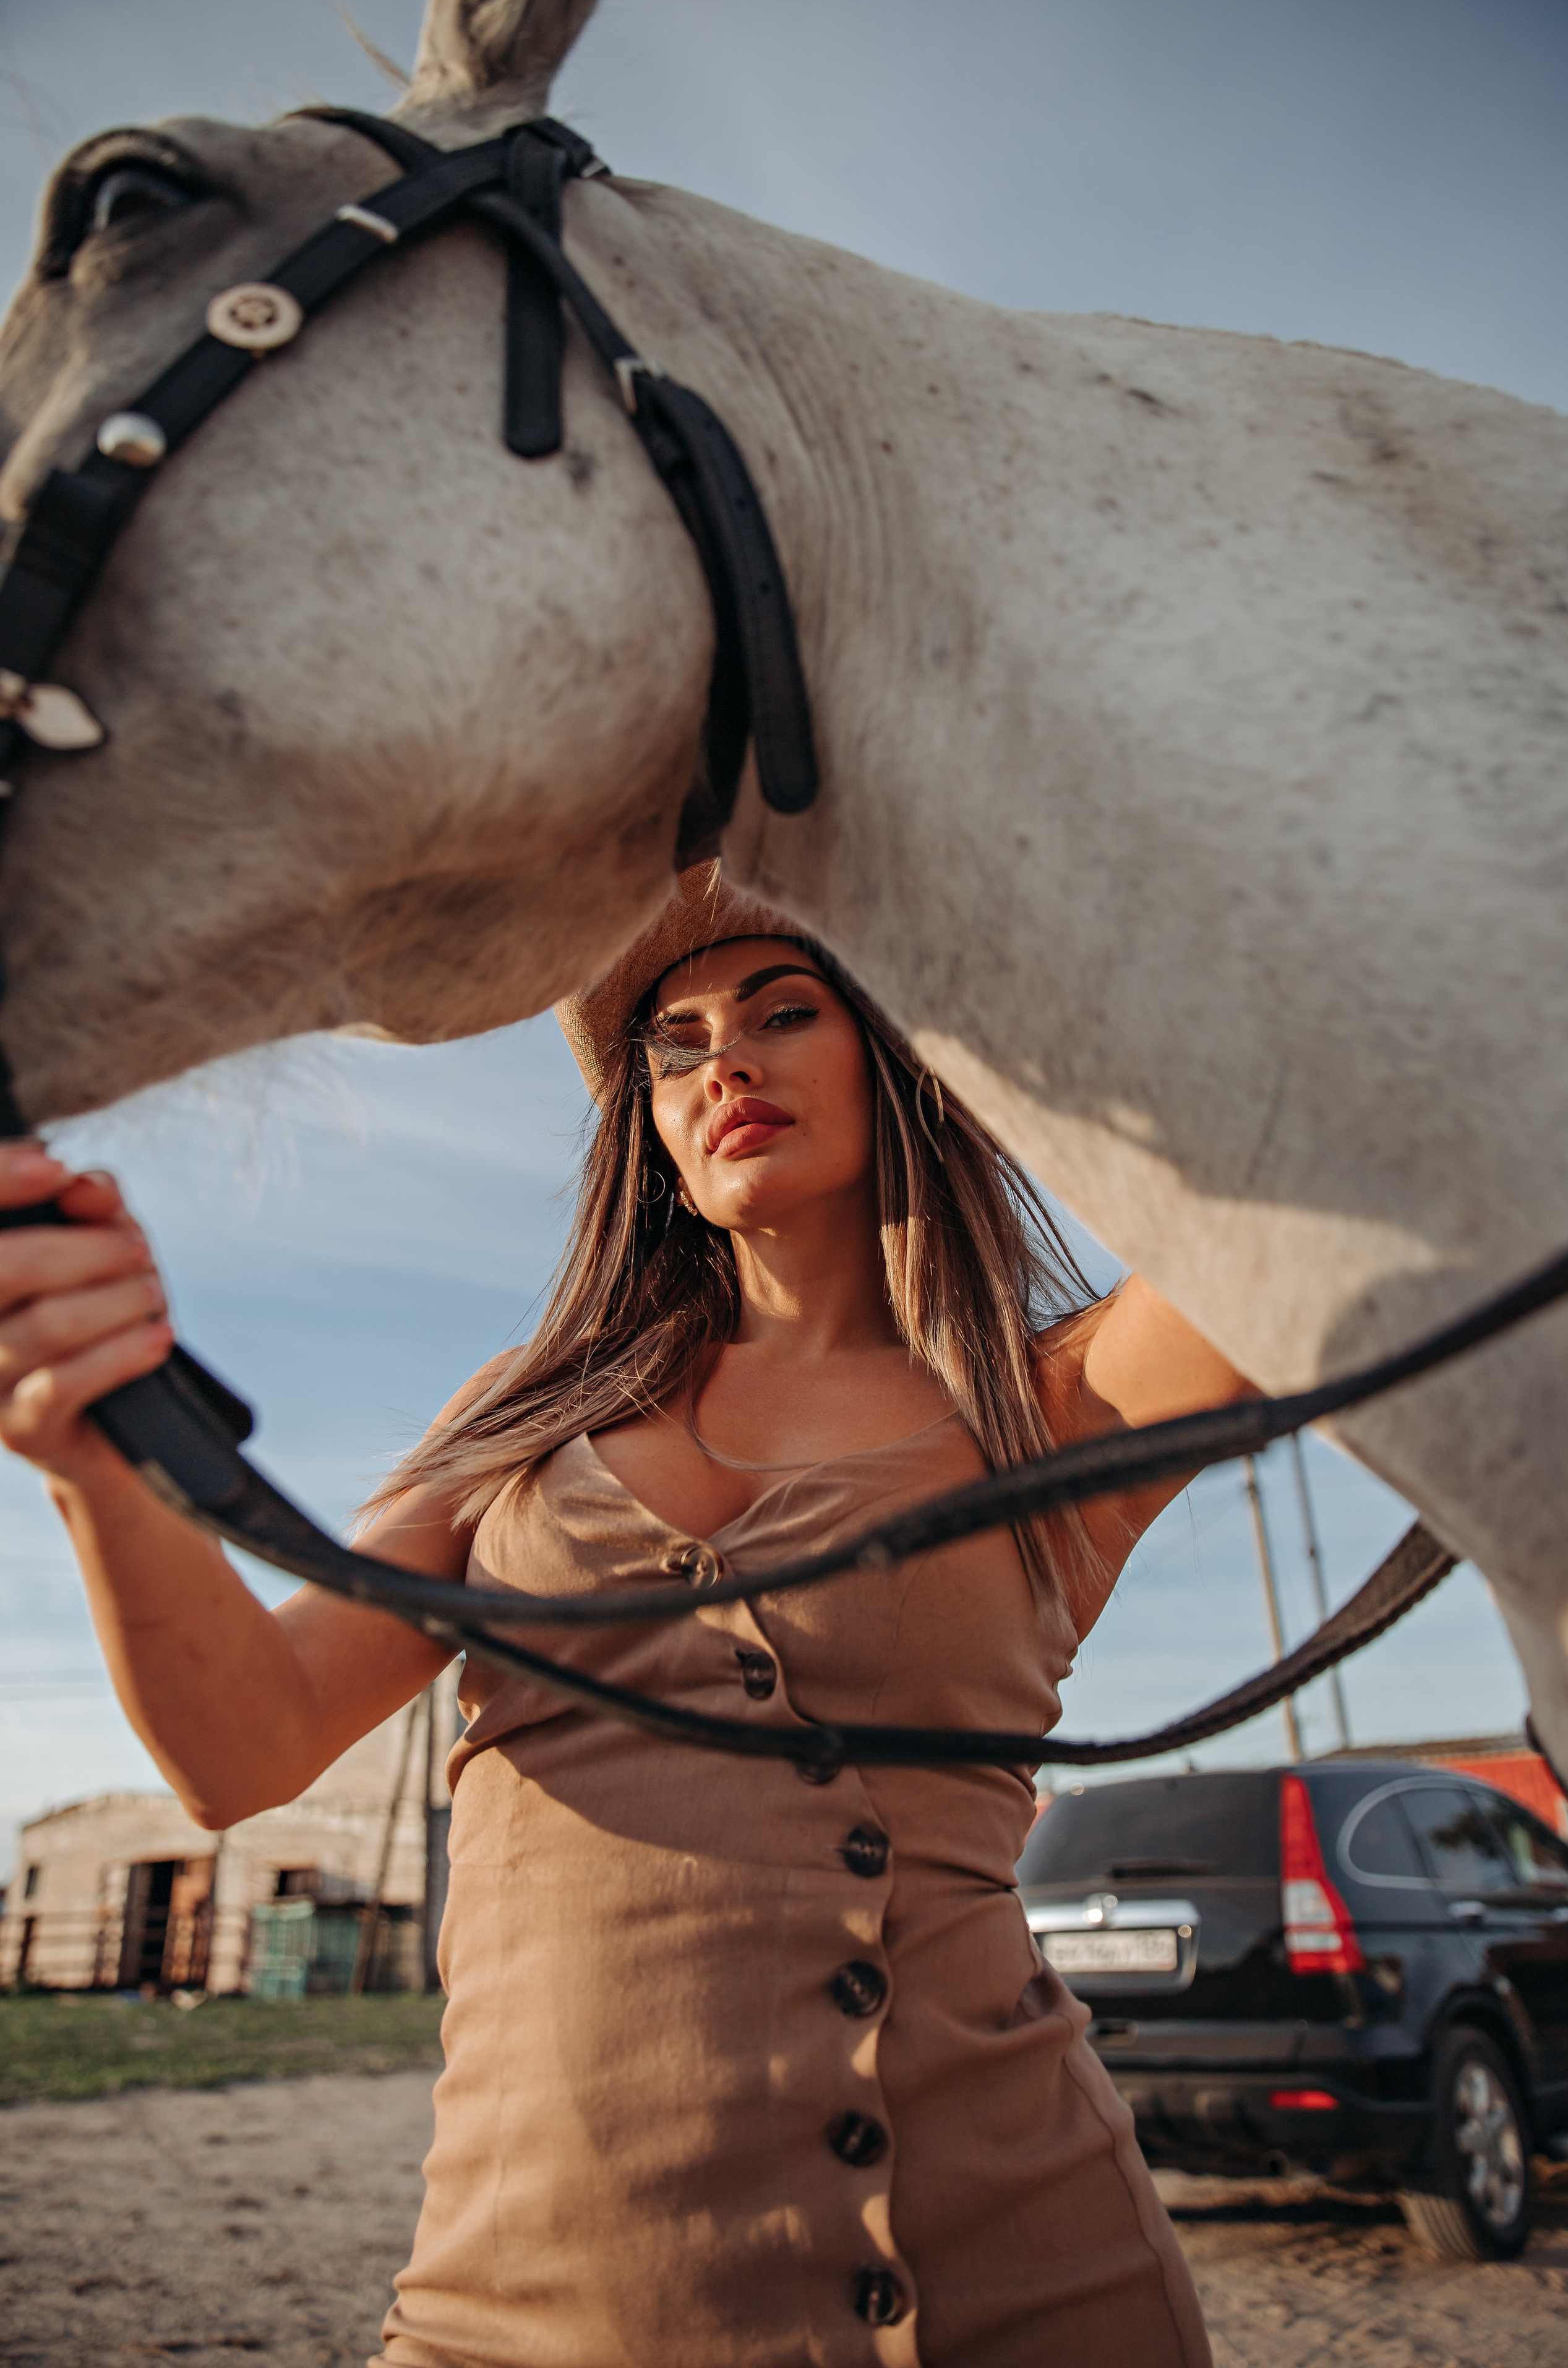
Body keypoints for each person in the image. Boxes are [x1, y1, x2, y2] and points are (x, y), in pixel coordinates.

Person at [0, 862, 1252, 2367]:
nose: (722, 1058)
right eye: (675, 1041)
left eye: (785, 1010)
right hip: (526, 2297)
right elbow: (242, 1746)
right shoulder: (522, 1417)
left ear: (910, 1057)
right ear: (650, 1133)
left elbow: (1332, 1130)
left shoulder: (1055, 1400)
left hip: (1026, 2282)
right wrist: (92, 1451)